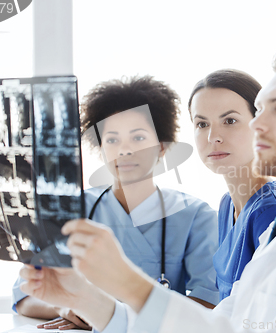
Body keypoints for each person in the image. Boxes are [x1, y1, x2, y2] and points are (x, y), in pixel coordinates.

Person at [19, 43, 276, 333]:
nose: (257, 125)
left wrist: (127, 282)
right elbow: (219, 325)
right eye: (259, 110)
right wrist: (84, 298)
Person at [13, 77, 219, 330]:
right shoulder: (69, 210)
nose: (124, 150)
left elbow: (209, 303)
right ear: (100, 148)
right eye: (111, 140)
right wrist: (67, 307)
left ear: (162, 148)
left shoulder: (196, 216)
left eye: (139, 138)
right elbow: (25, 294)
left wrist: (109, 314)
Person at [188, 69, 276, 300]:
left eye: (229, 121)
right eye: (201, 124)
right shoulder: (228, 205)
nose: (213, 137)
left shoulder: (270, 212)